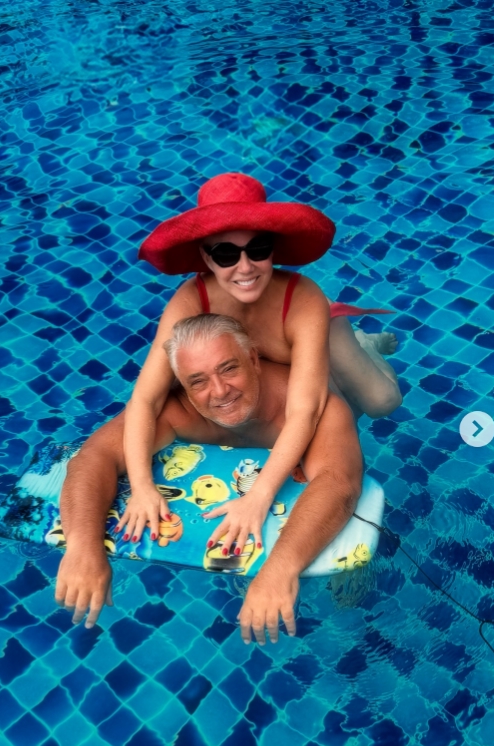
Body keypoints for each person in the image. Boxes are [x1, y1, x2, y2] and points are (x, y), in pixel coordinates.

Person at [120, 173, 400, 555]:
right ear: (206, 257)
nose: (245, 267)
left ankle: (366, 344)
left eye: (258, 249)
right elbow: (145, 399)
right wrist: (141, 487)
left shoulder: (302, 296)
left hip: (320, 329)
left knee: (380, 402)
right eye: (226, 254)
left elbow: (305, 410)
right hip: (269, 363)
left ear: (273, 249)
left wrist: (260, 495)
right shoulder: (191, 301)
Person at [55, 314, 363, 644]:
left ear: (253, 360)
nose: (219, 391)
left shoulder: (314, 405)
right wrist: (83, 548)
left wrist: (281, 569)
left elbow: (338, 483)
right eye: (198, 381)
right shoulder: (177, 410)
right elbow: (93, 458)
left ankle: (358, 340)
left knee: (378, 392)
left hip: (334, 372)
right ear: (182, 384)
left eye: (229, 369)